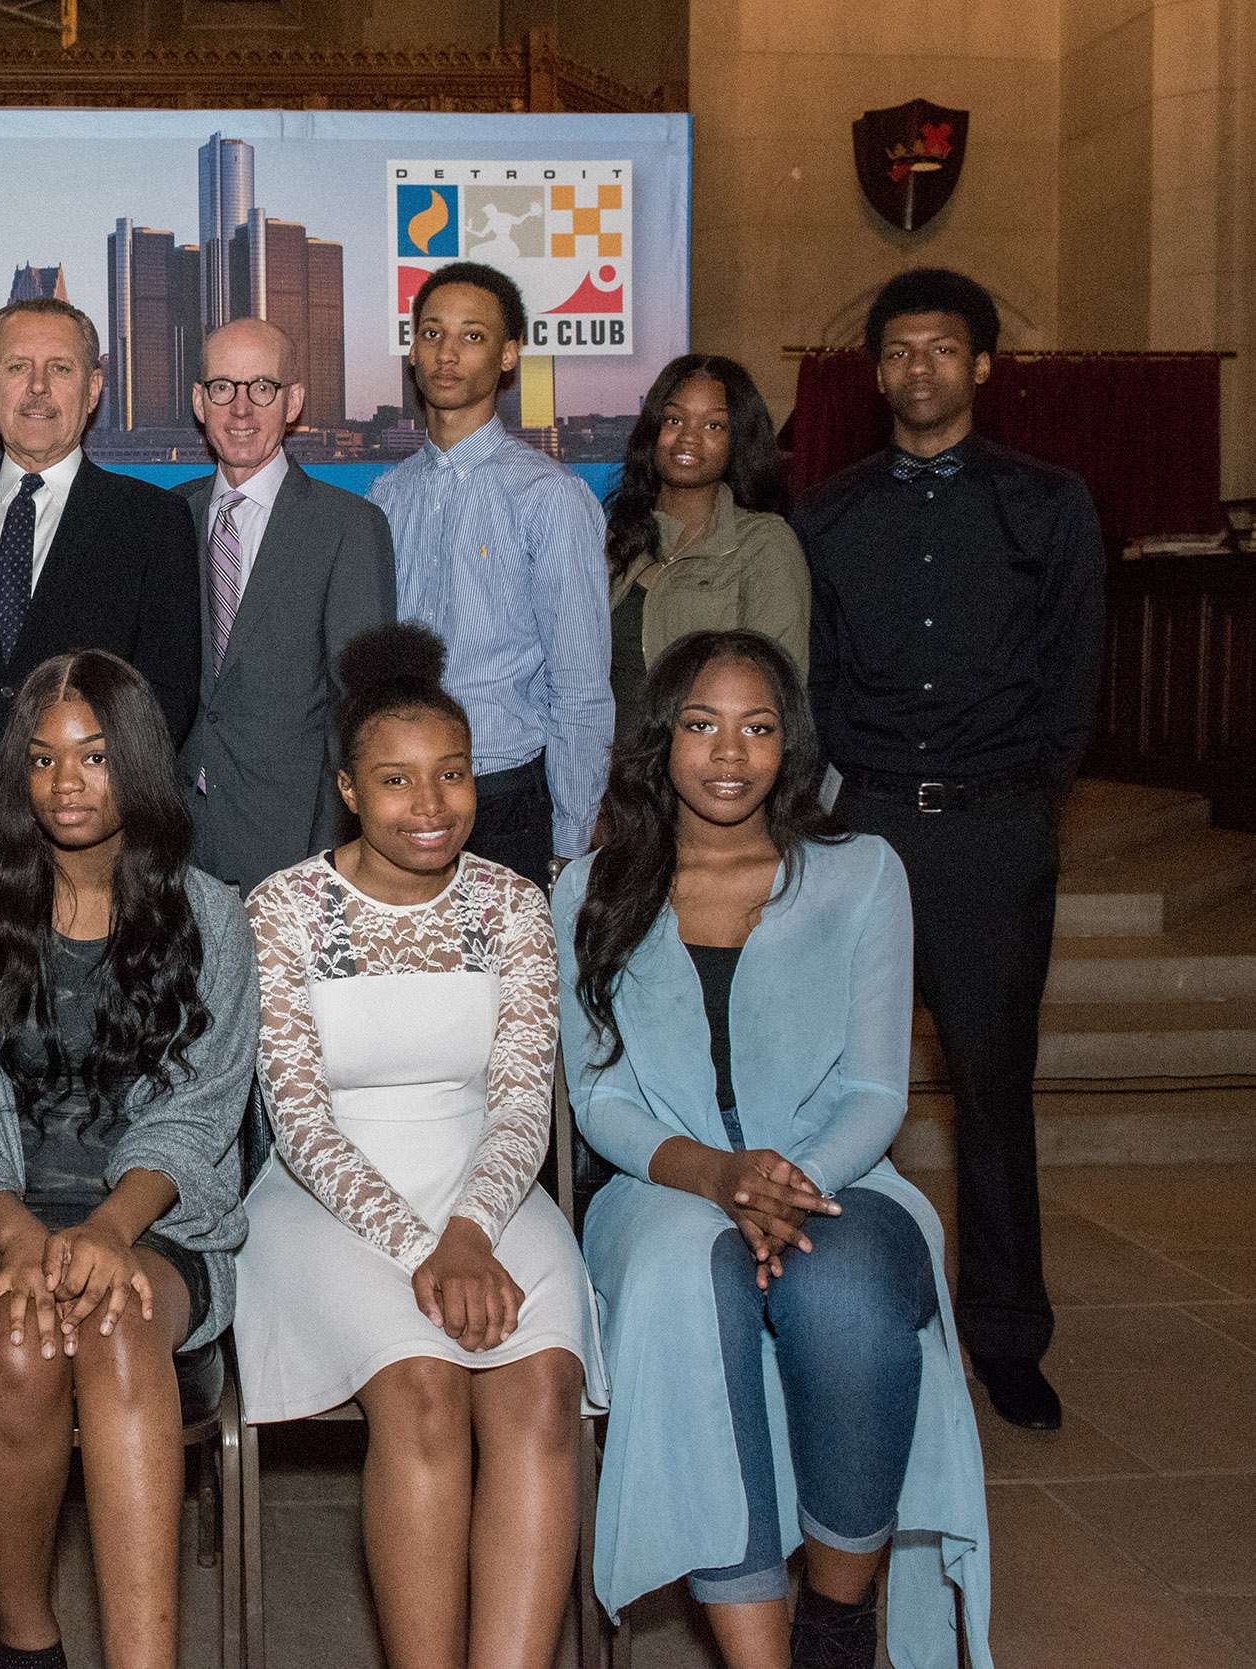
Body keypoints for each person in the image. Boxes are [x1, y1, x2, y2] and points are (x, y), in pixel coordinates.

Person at [553, 631, 991, 1669]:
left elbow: (877, 1087)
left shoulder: (860, 873)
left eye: (756, 727)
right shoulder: (590, 887)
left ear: (788, 743)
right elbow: (598, 1094)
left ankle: (834, 1622)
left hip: (838, 1172)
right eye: (701, 725)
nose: (728, 752)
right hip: (663, 1181)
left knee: (842, 1292)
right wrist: (717, 1176)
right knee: (682, 1284)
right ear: (661, 740)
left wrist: (793, 1183)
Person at [235, 622, 602, 1669]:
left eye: (452, 773)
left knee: (540, 1393)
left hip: (490, 1184)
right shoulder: (282, 907)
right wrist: (423, 1250)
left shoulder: (515, 903)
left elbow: (522, 1103)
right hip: (324, 1199)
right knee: (424, 1394)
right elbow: (299, 1121)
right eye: (396, 781)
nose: (431, 804)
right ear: (349, 790)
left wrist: (471, 1232)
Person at [0, 650, 255, 1669]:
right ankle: (28, 1644)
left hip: (151, 1219)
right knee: (20, 1340)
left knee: (121, 1325)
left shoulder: (210, 916)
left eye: (93, 756)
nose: (66, 782)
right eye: (42, 760)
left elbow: (200, 1112)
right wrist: (19, 1238)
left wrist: (108, 1229)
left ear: (137, 762)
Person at [793, 267, 1104, 1431]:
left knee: (990, 1090)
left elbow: (1073, 674)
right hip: (865, 828)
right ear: (875, 375)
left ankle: (1008, 1338)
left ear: (979, 366)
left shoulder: (1048, 504)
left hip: (990, 833)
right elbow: (816, 681)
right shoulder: (828, 515)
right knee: (833, 1083)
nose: (917, 369)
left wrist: (1028, 805)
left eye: (940, 350)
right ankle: (829, 1308)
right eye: (897, 353)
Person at [0, 297, 200, 928]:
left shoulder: (152, 523)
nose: (38, 388)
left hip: (99, 866)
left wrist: (87, 811)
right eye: (18, 367)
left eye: (61, 368)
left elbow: (167, 694)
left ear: (94, 388)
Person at [368, 261, 610, 886]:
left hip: (505, 796)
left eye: (472, 336)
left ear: (508, 355)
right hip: (397, 799)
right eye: (432, 333)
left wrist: (570, 844)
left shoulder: (547, 496)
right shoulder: (386, 497)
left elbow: (580, 685)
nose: (447, 354)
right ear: (413, 350)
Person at [177, 318, 397, 891]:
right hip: (175, 843)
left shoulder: (348, 527)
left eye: (262, 387)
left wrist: (332, 855)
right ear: (200, 402)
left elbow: (360, 710)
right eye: (222, 387)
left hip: (296, 845)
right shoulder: (167, 519)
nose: (241, 408)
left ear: (293, 401)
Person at [602, 354, 809, 742]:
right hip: (612, 768)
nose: (688, 437)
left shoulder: (764, 542)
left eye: (713, 425)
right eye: (674, 420)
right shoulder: (614, 540)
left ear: (738, 440)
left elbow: (780, 693)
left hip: (711, 767)